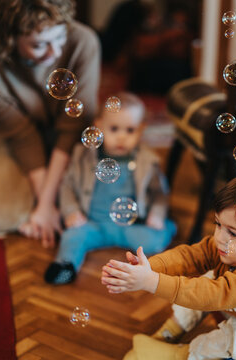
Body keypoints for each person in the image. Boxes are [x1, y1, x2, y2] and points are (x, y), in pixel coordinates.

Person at [102, 171, 236, 360]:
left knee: (225, 329)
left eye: (233, 233)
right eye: (218, 224)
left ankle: (185, 354)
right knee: (206, 276)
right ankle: (171, 330)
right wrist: (149, 267)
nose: (219, 238)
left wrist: (151, 282)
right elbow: (190, 257)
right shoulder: (229, 247)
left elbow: (214, 295)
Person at [0, 0, 100, 248]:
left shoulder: (84, 41)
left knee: (94, 206)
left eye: (60, 38)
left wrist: (46, 202)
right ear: (8, 40)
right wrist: (46, 204)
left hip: (73, 140)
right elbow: (21, 136)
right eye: (39, 45)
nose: (55, 53)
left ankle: (42, 194)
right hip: (17, 140)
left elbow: (73, 127)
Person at [44, 92, 176, 285]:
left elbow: (159, 193)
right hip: (92, 224)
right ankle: (66, 266)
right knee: (72, 236)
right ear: (99, 126)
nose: (122, 137)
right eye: (114, 129)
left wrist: (156, 214)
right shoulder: (84, 156)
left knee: (152, 241)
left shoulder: (147, 161)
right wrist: (71, 211)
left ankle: (169, 228)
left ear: (141, 131)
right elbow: (67, 186)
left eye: (130, 130)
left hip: (130, 225)